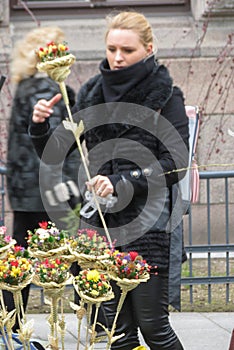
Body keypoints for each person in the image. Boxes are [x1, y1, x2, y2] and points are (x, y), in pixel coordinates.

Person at [30, 11, 189, 350]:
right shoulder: (91, 94)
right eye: (112, 48)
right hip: (102, 225)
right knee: (116, 331)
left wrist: (122, 179)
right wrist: (40, 124)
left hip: (150, 225)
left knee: (154, 328)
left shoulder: (166, 96)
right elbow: (59, 151)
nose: (117, 58)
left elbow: (175, 163)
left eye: (127, 50)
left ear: (148, 49)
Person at [5, 26, 80, 331]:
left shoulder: (23, 88)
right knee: (75, 253)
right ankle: (97, 316)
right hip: (54, 187)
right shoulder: (51, 90)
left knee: (21, 258)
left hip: (25, 188)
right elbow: (65, 141)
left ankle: (11, 318)